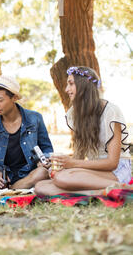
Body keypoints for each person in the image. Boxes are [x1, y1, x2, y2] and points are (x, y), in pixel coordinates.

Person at [35, 66, 131, 195]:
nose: (66, 89)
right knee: (40, 186)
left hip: (115, 171)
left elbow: (112, 163)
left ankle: (123, 187)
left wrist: (71, 164)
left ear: (84, 85)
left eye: (71, 84)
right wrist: (60, 164)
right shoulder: (75, 114)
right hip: (95, 170)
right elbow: (78, 157)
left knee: (62, 178)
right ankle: (102, 191)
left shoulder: (111, 112)